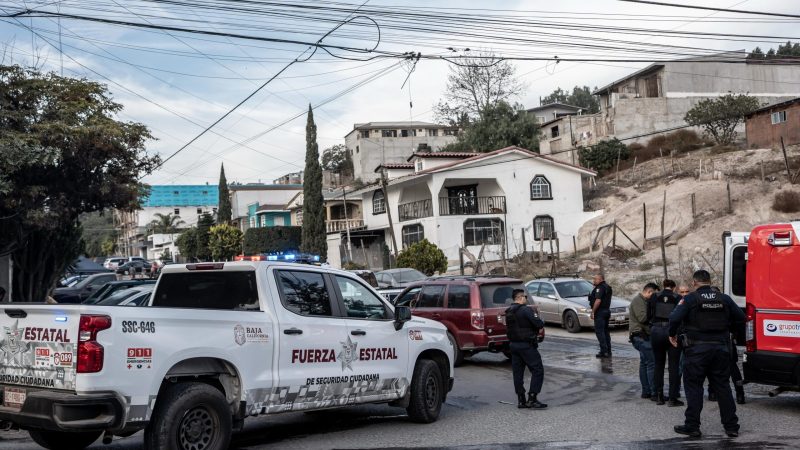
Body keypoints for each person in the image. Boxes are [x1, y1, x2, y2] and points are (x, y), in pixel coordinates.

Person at [669, 270, 745, 438]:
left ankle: (692, 426)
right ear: (710, 282)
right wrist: (730, 331)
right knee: (722, 387)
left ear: (694, 283)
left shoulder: (690, 299)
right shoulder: (724, 298)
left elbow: (674, 319)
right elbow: (741, 317)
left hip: (697, 351)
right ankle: (731, 427)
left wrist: (672, 334)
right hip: (720, 349)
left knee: (694, 387)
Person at [505, 289, 547, 409]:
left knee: (518, 373)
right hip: (526, 345)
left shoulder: (509, 311)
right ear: (520, 297)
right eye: (525, 297)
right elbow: (539, 324)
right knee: (538, 369)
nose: (526, 299)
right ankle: (532, 398)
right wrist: (540, 321)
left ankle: (521, 400)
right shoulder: (526, 310)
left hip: (513, 345)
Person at [650, 279, 684, 407]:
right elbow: (679, 316)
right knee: (673, 366)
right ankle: (672, 398)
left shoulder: (654, 296)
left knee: (658, 365)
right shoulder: (678, 297)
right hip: (671, 332)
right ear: (674, 287)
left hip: (656, 331)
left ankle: (659, 396)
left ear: (663, 287)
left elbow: (649, 314)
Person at [630, 282, 658, 401]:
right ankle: (654, 393)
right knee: (652, 363)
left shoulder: (643, 301)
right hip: (640, 336)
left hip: (642, 336)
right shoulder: (638, 301)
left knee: (645, 363)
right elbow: (642, 318)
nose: (655, 297)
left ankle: (646, 391)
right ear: (649, 292)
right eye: (654, 295)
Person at [589, 274, 613, 358]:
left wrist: (593, 312)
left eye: (595, 279)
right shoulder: (607, 287)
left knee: (600, 332)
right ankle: (608, 351)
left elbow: (598, 300)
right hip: (606, 311)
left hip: (600, 312)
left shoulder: (600, 287)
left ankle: (604, 351)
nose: (594, 281)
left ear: (600, 279)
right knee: (605, 331)